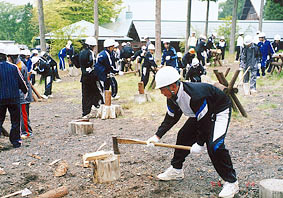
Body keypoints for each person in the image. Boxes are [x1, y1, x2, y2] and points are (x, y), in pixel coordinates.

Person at [146, 66, 239, 198]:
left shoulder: (195, 96)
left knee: (215, 146)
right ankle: (176, 170)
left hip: (219, 109)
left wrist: (200, 143)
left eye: (162, 89)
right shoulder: (172, 97)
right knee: (183, 135)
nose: (161, 93)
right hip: (202, 112)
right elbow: (171, 118)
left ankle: (231, 182)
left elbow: (205, 122)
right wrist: (157, 136)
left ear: (172, 86)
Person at [0, 44, 28, 148]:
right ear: (6, 56)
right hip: (14, 98)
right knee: (15, 121)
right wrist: (25, 92)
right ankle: (15, 141)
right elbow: (22, 83)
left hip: (1, 99)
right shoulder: (13, 67)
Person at [6, 45, 33, 139]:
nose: (8, 59)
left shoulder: (20, 66)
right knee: (22, 114)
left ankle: (27, 132)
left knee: (24, 115)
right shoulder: (17, 65)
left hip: (23, 95)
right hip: (21, 94)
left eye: (8, 57)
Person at [79, 37, 103, 118]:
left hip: (84, 77)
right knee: (96, 92)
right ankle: (96, 105)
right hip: (91, 76)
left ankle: (85, 112)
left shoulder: (81, 52)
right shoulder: (90, 53)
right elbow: (92, 64)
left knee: (85, 95)